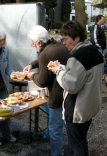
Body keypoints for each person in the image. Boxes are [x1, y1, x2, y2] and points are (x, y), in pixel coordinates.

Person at [48, 21, 103, 156]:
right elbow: (82, 75)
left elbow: (70, 85)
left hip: (77, 111)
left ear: (77, 38)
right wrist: (62, 68)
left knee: (78, 146)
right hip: (90, 106)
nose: (63, 43)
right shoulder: (94, 51)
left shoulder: (77, 57)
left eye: (66, 39)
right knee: (81, 141)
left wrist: (57, 71)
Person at [23, 25, 69, 156]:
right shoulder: (58, 45)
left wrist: (32, 75)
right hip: (68, 94)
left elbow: (42, 81)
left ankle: (57, 153)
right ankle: (71, 150)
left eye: (33, 44)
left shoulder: (45, 53)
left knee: (55, 129)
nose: (33, 46)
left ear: (39, 42)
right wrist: (32, 64)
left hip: (56, 96)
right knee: (69, 127)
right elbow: (44, 60)